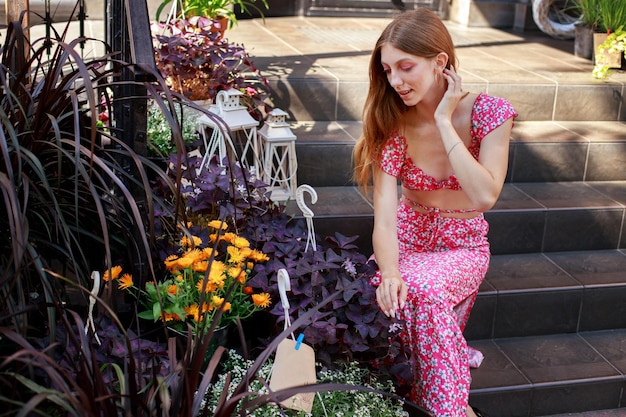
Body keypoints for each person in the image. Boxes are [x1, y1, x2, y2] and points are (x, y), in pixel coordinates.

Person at [352, 8, 517, 417]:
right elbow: (386, 221)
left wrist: (445, 121)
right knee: (389, 290)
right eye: (388, 70)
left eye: (406, 67)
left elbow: (483, 196)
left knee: (421, 291)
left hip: (462, 247)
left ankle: (446, 409)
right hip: (404, 242)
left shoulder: (490, 114)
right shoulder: (390, 124)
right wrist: (389, 271)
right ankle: (440, 392)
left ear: (440, 61)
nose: (395, 81)